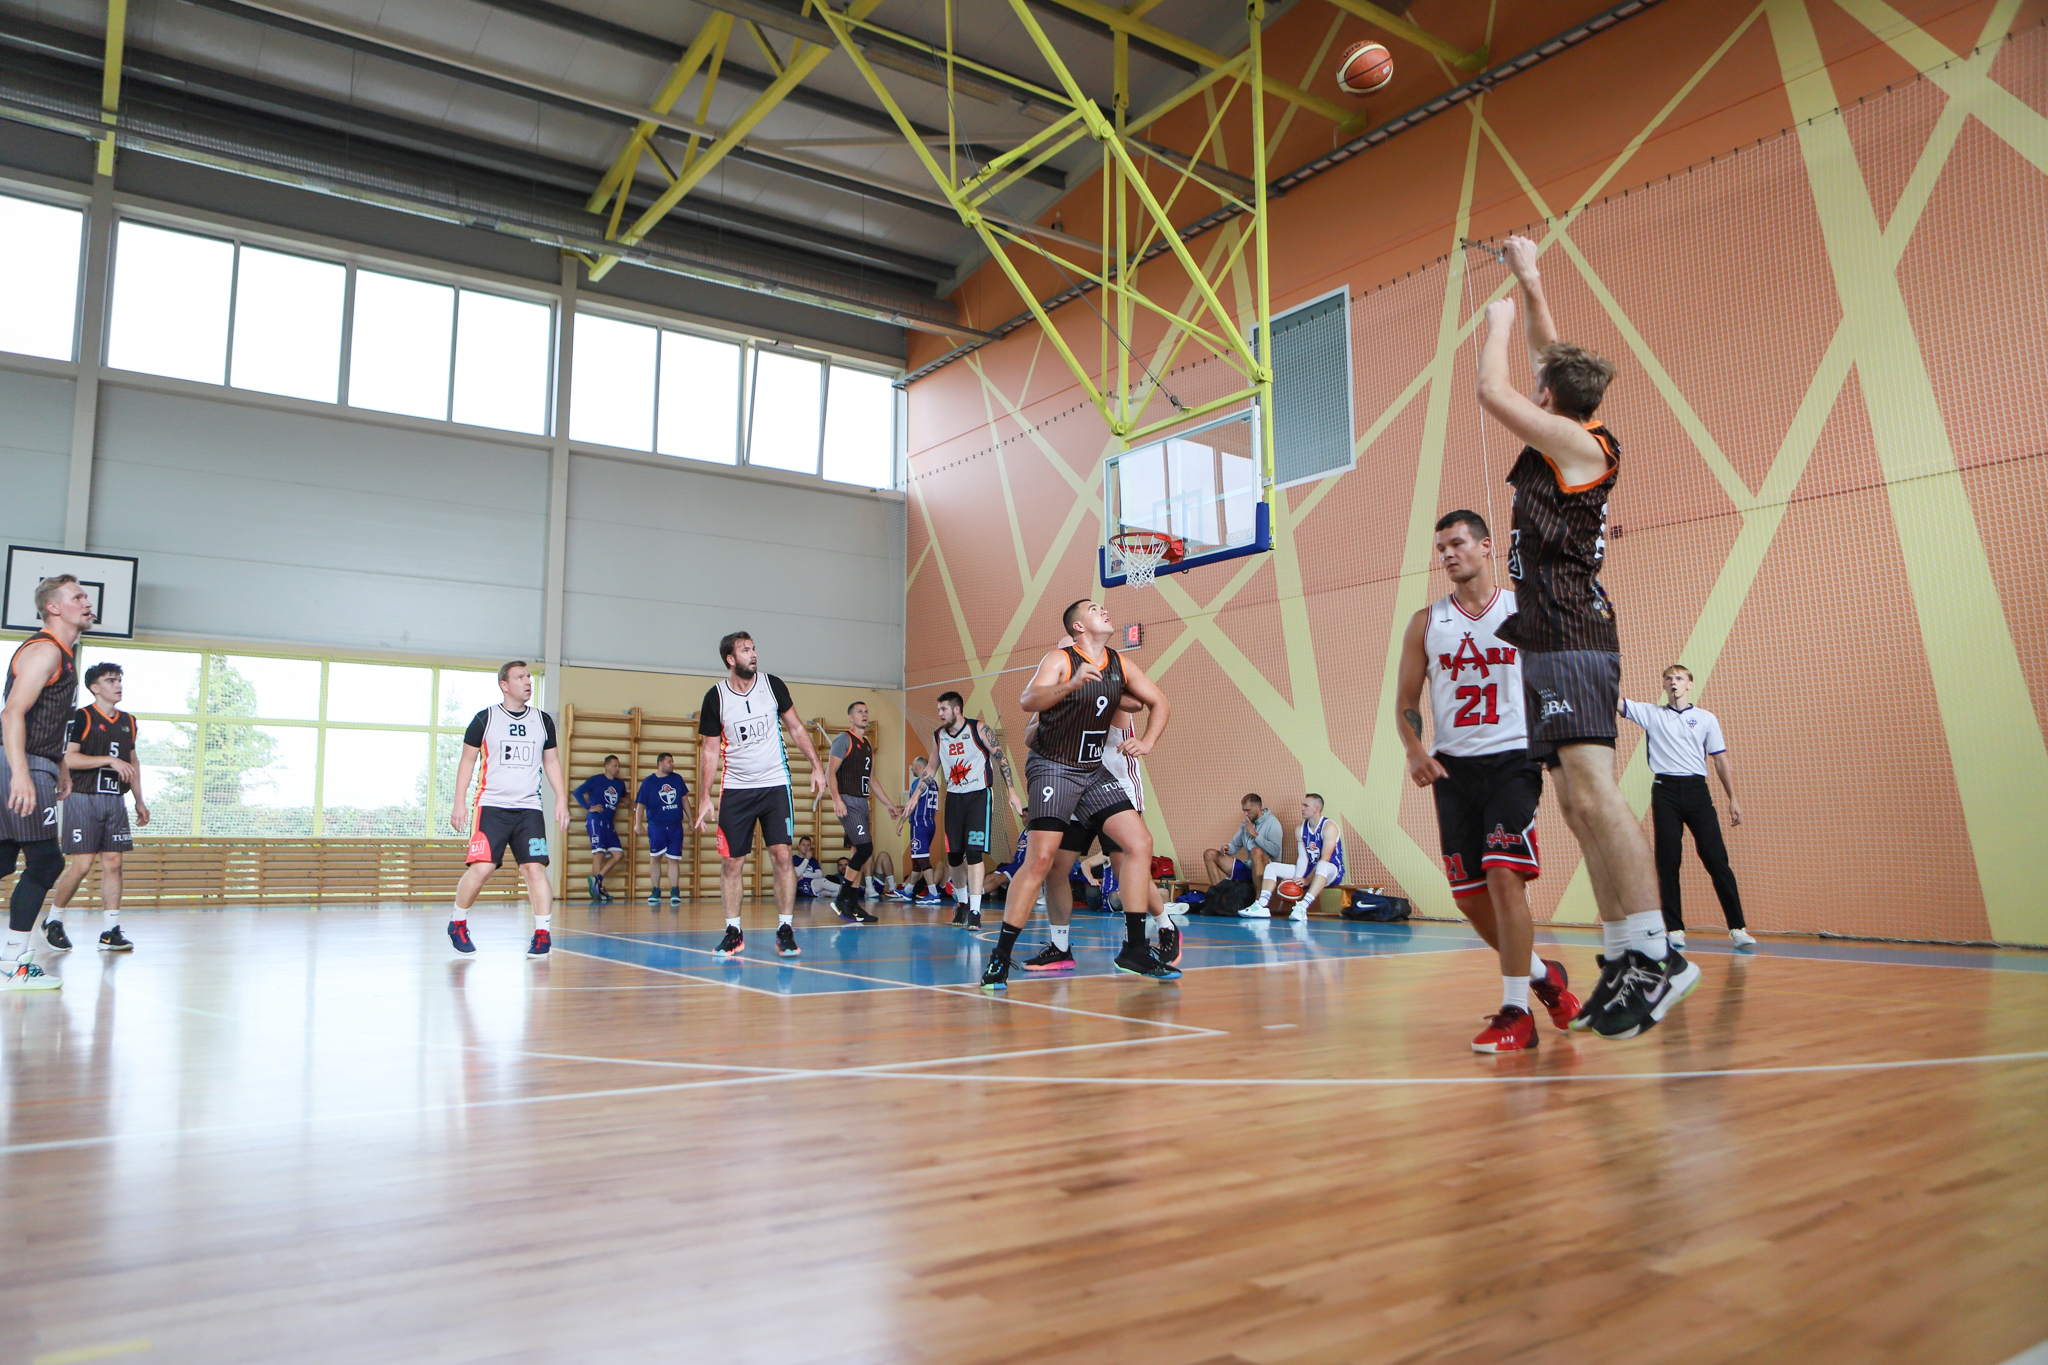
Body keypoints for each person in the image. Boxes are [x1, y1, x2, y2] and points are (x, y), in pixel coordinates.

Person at [1477, 233, 1699, 1038]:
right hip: (1546, 634)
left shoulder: (1581, 444)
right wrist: (1529, 278)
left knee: (1597, 793)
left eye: (1541, 378)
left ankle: (1658, 952)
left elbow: (1494, 392)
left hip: (1574, 630)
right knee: (1574, 799)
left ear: (1550, 396)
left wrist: (1496, 321)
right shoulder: (1571, 421)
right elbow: (1549, 353)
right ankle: (1626, 949)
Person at [1397, 510, 1581, 1051]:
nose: (1449, 554)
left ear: (1485, 546)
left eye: (1457, 543)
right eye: (1441, 548)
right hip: (1453, 769)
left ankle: (1515, 1014)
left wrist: (1562, 747)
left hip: (1513, 762)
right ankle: (1546, 978)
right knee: (1470, 898)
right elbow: (1408, 700)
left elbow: (1559, 675)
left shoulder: (1523, 609)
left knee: (1504, 877)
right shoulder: (1426, 623)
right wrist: (1414, 749)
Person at [980, 599, 1176, 990]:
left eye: (1105, 605)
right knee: (1041, 860)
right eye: (1093, 608)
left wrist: (1149, 741)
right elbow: (1027, 701)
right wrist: (1069, 684)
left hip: (1092, 770)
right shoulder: (1061, 659)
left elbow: (1157, 701)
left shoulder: (1119, 663)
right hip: (1053, 766)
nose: (1104, 609)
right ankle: (1000, 958)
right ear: (1078, 627)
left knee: (1140, 843)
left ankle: (1135, 948)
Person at [694, 632, 825, 959]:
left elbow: (795, 727)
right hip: (736, 788)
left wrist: (817, 766)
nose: (753, 654)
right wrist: (704, 796)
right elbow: (710, 751)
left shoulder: (772, 685)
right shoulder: (716, 698)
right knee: (732, 862)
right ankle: (734, 931)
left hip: (774, 784)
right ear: (730, 658)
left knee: (782, 855)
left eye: (753, 649)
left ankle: (785, 928)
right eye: (745, 650)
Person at [1621, 666, 1755, 950]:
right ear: (1664, 685)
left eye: (1679, 678)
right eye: (1669, 678)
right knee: (1668, 862)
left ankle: (1738, 927)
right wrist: (1608, 664)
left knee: (1716, 859)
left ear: (1690, 684)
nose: (1674, 682)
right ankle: (1675, 929)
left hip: (1697, 792)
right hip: (1665, 792)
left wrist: (1733, 799)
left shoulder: (1705, 718)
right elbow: (1613, 700)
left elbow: (1720, 760)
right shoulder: (1651, 714)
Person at [2, 575, 90, 990]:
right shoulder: (44, 651)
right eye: (77, 596)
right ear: (53, 607)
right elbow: (12, 713)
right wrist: (22, 773)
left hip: (37, 763)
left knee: (5, 860)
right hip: (20, 764)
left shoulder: (65, 656)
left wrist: (62, 767)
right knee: (47, 861)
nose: (87, 602)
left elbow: (49, 722)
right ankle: (13, 964)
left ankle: (12, 962)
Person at [447, 661, 568, 957]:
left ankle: (542, 933)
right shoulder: (485, 719)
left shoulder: (543, 721)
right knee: (483, 868)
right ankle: (457, 923)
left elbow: (551, 761)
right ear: (505, 684)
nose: (527, 681)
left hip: (529, 808)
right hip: (491, 807)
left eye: (529, 676)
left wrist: (562, 798)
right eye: (520, 677)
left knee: (535, 868)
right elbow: (467, 762)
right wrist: (459, 802)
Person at [46, 661, 146, 951]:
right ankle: (53, 920)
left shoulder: (129, 721)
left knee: (115, 863)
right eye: (111, 680)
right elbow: (69, 758)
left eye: (119, 680)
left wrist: (139, 799)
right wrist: (108, 760)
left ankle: (110, 930)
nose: (118, 685)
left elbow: (133, 761)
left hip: (114, 798)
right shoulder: (81, 717)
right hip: (83, 797)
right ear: (95, 687)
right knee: (82, 864)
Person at [929, 690, 1024, 930]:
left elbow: (1001, 758)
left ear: (956, 709)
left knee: (974, 854)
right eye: (938, 709)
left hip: (979, 797)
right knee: (953, 856)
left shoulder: (979, 729)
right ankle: (961, 904)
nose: (939, 713)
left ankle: (974, 909)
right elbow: (931, 769)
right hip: (953, 799)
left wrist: (1012, 791)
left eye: (943, 709)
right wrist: (913, 799)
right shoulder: (939, 736)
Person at [827, 701, 904, 924]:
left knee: (857, 856)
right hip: (848, 801)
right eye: (859, 712)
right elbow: (830, 772)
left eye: (866, 711)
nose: (864, 714)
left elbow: (870, 779)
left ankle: (852, 905)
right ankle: (843, 897)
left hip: (862, 802)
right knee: (865, 848)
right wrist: (836, 799)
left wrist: (888, 803)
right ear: (850, 717)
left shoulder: (867, 745)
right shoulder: (844, 739)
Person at [1247, 793, 1344, 921]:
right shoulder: (1300, 828)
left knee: (1322, 864)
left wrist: (1307, 880)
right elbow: (1303, 858)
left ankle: (1302, 907)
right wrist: (1298, 879)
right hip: (1309, 870)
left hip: (1331, 872)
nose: (1302, 808)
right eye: (1302, 805)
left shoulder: (1329, 827)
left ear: (1317, 809)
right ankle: (1261, 905)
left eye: (1306, 805)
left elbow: (1325, 858)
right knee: (1271, 867)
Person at [635, 752, 690, 907]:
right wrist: (638, 823)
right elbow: (640, 805)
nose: (672, 764)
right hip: (656, 826)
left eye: (672, 761)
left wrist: (691, 819)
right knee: (656, 857)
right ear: (660, 763)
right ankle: (655, 890)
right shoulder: (648, 782)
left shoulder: (677, 779)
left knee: (673, 859)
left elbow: (684, 800)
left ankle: (674, 890)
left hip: (675, 825)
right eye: (669, 762)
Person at [572, 754, 629, 903]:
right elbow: (577, 792)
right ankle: (597, 890)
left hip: (609, 823)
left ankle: (597, 879)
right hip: (596, 821)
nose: (617, 769)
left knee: (618, 855)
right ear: (606, 766)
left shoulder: (619, 784)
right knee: (599, 854)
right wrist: (588, 808)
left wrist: (637, 805)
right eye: (614, 765)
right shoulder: (595, 780)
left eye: (618, 766)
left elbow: (623, 799)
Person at [1201, 794, 1281, 888]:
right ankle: (1218, 895)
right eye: (1244, 811)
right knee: (1209, 854)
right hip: (1248, 867)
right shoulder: (1246, 823)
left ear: (1258, 807)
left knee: (1256, 851)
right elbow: (1235, 845)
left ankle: (1259, 900)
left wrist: (1255, 834)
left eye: (1248, 810)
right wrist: (1228, 847)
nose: (1245, 814)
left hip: (1266, 869)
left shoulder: (1272, 822)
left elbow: (1276, 851)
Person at [894, 755, 943, 904]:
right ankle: (908, 890)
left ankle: (933, 893)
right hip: (930, 823)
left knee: (922, 859)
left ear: (920, 767)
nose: (912, 768)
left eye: (914, 766)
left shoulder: (919, 782)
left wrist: (901, 822)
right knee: (917, 858)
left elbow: (913, 804)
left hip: (919, 824)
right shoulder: (933, 783)